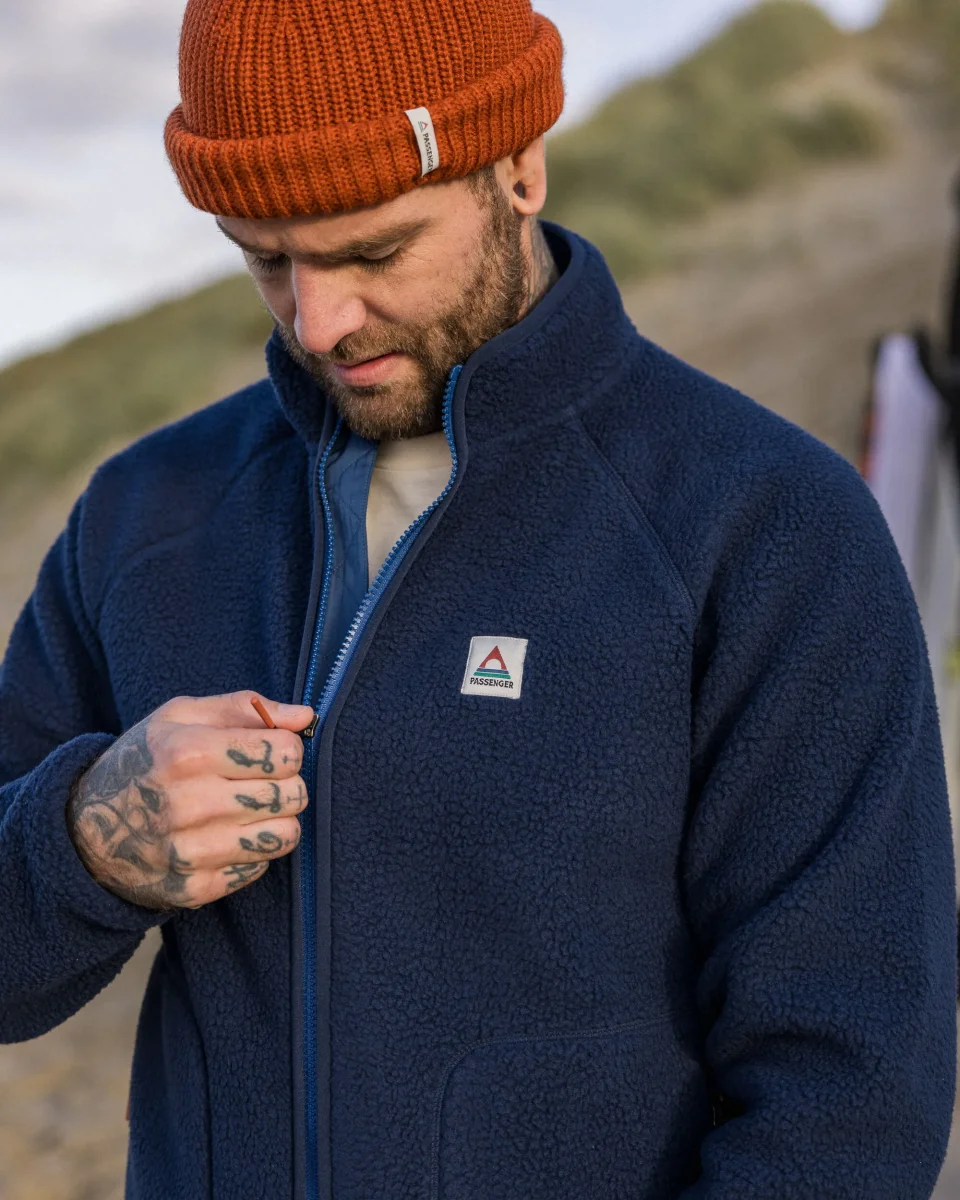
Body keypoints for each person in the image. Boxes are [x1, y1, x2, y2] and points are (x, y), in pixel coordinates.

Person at [0, 1, 955, 1196]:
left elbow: (851, 1091)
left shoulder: (765, 521)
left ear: (520, 169)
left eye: (375, 252)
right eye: (266, 257)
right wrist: (89, 840)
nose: (318, 321)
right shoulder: (149, 514)